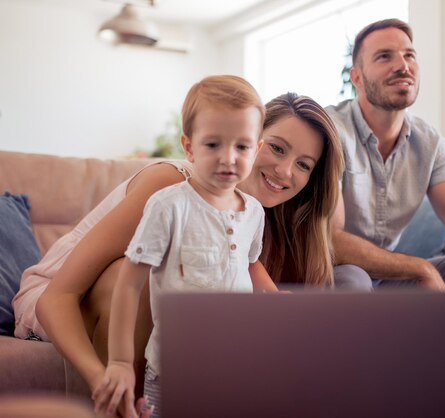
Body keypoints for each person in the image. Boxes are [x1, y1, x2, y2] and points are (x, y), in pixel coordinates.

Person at [11, 86, 343, 417]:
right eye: (277, 148)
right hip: (52, 301)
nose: (285, 171)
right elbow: (58, 297)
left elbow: (248, 265)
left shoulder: (253, 213)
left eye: (303, 164)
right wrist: (104, 377)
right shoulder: (169, 188)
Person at [91, 75, 277, 418]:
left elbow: (249, 269)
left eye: (242, 146)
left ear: (258, 149)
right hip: (173, 371)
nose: (228, 158)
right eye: (213, 144)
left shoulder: (253, 212)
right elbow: (129, 285)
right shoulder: (169, 206)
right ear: (189, 146)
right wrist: (118, 361)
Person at [325, 18, 445, 319]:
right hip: (333, 274)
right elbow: (330, 241)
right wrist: (419, 267)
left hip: (388, 280)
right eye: (385, 56)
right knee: (354, 279)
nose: (403, 65)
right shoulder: (330, 130)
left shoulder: (430, 143)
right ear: (357, 77)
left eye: (409, 55)